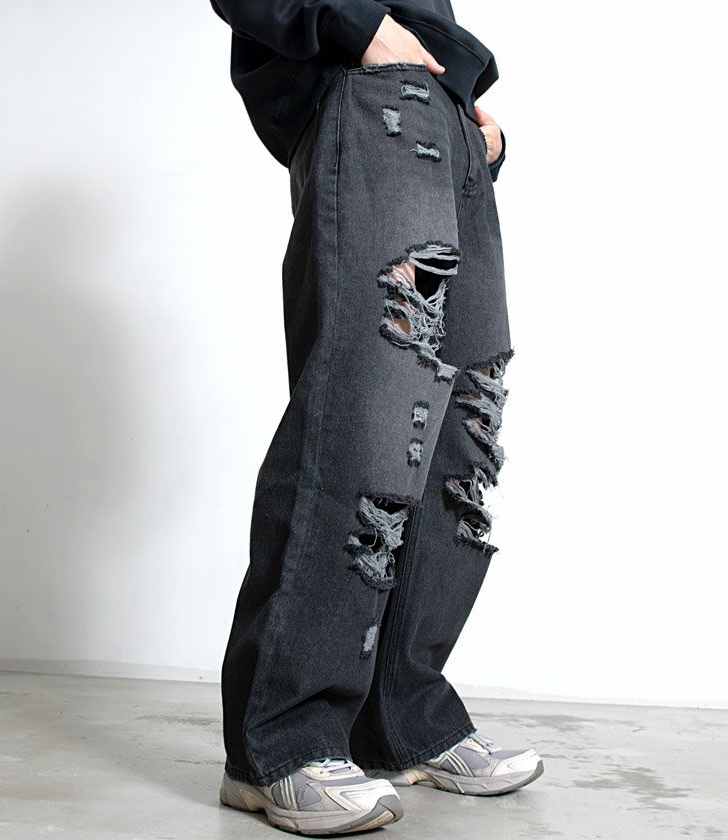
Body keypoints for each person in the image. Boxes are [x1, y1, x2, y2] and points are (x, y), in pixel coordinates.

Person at [208, 1, 543, 834]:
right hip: (373, 100)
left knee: (462, 429)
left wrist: (471, 117)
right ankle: (279, 742)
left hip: (448, 120)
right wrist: (360, 28)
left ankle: (402, 719)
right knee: (363, 411)